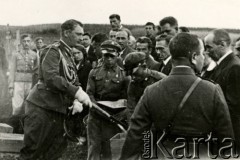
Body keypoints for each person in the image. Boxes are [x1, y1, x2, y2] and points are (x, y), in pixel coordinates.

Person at [119, 33, 234, 159]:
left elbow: (135, 135)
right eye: (201, 53)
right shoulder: (212, 90)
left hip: (162, 154)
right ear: (194, 57)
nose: (203, 57)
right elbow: (225, 138)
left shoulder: (151, 91)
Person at [19, 19, 92, 160]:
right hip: (42, 108)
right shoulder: (52, 51)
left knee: (53, 152)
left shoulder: (69, 54)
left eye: (83, 35)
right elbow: (51, 78)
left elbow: (72, 79)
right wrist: (76, 92)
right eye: (78, 34)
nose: (81, 38)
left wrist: (76, 99)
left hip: (58, 110)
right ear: (66, 33)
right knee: (32, 152)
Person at [86, 40, 130, 160]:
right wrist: (96, 108)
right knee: (93, 148)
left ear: (118, 56)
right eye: (106, 55)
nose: (109, 59)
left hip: (113, 118)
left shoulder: (124, 75)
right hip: (96, 116)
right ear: (102, 55)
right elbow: (89, 94)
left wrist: (122, 114)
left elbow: (129, 98)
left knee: (110, 150)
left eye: (112, 56)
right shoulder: (93, 72)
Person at [204, 29, 240, 147]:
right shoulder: (224, 65)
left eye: (209, 47)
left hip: (231, 134)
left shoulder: (234, 67)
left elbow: (233, 106)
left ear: (222, 45)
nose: (206, 52)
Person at [124, 52, 166, 121]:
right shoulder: (133, 84)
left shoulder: (160, 80)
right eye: (130, 74)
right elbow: (131, 108)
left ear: (144, 66)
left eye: (135, 73)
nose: (133, 77)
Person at [8, 34, 37, 116]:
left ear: (31, 42)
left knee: (30, 106)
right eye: (24, 41)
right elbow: (12, 71)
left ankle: (26, 126)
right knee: (17, 107)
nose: (26, 43)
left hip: (30, 83)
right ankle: (15, 126)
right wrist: (11, 86)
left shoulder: (34, 55)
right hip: (18, 82)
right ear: (21, 43)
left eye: (28, 41)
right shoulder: (16, 55)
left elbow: (37, 70)